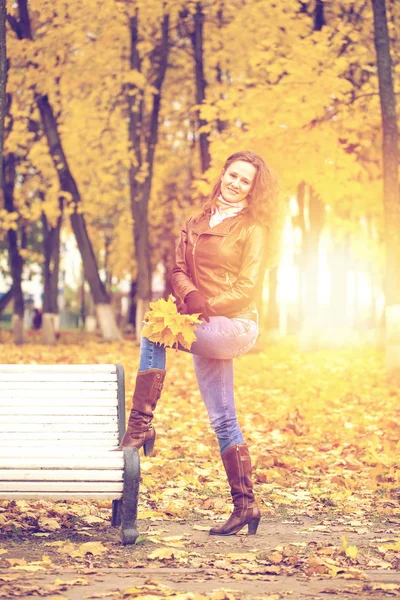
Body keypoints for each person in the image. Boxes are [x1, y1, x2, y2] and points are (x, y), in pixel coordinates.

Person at [119, 150, 280, 536]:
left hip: (234, 325)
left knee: (154, 330)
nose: (236, 183)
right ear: (223, 174)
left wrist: (205, 306)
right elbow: (177, 267)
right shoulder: (195, 221)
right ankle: (246, 506)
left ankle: (140, 425)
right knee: (223, 418)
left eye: (246, 181)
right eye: (233, 175)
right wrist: (190, 296)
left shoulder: (253, 228)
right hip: (202, 323)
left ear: (253, 190)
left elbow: (247, 286)